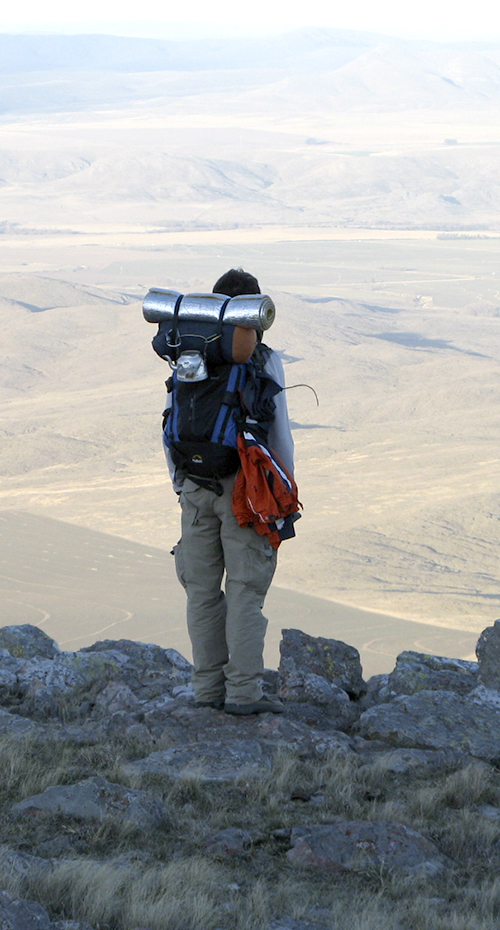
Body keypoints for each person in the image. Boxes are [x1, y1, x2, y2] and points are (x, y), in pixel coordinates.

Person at [168, 269, 296, 715]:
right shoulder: (263, 358)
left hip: (194, 487)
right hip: (246, 492)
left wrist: (181, 483)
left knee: (202, 591)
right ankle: (242, 695)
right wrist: (283, 494)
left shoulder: (188, 351)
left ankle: (207, 692)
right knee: (245, 590)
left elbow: (171, 420)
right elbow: (278, 433)